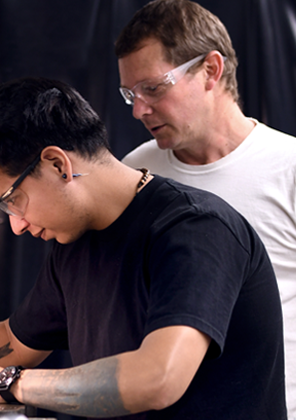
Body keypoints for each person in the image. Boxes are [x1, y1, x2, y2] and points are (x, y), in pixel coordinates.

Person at [0, 77, 286, 419]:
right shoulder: (77, 241)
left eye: (13, 199)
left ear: (58, 164)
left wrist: (8, 383)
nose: (16, 226)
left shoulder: (195, 231)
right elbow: (14, 339)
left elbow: (158, 378)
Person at [115, 1, 296, 417]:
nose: (140, 109)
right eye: (130, 94)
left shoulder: (288, 168)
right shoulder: (135, 172)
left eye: (154, 88)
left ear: (211, 70)